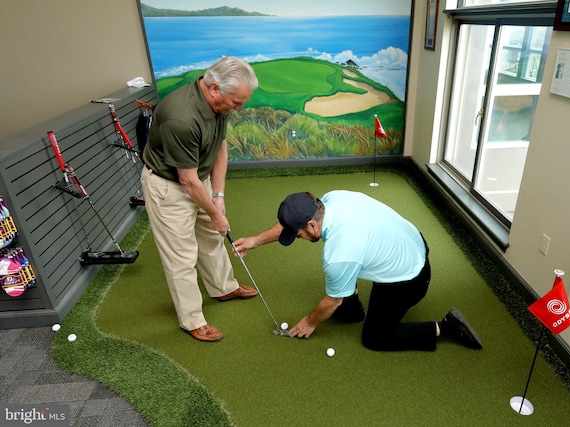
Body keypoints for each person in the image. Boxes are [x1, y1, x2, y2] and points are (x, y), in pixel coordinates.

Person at [233, 191, 483, 352]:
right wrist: (255, 240)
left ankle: (447, 327)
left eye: (297, 234)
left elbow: (332, 301)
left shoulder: (339, 253)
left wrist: (310, 322)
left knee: (376, 339)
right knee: (343, 285)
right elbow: (291, 224)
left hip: (410, 279)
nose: (296, 237)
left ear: (311, 224)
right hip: (410, 244)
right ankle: (353, 311)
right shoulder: (330, 200)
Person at [141, 56, 259, 342]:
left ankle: (223, 287)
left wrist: (218, 197)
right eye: (236, 102)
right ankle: (192, 319)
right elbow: (186, 181)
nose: (239, 108)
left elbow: (219, 147)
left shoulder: (221, 103)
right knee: (181, 255)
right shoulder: (181, 117)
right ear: (215, 88)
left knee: (211, 236)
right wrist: (217, 214)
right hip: (169, 187)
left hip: (198, 178)